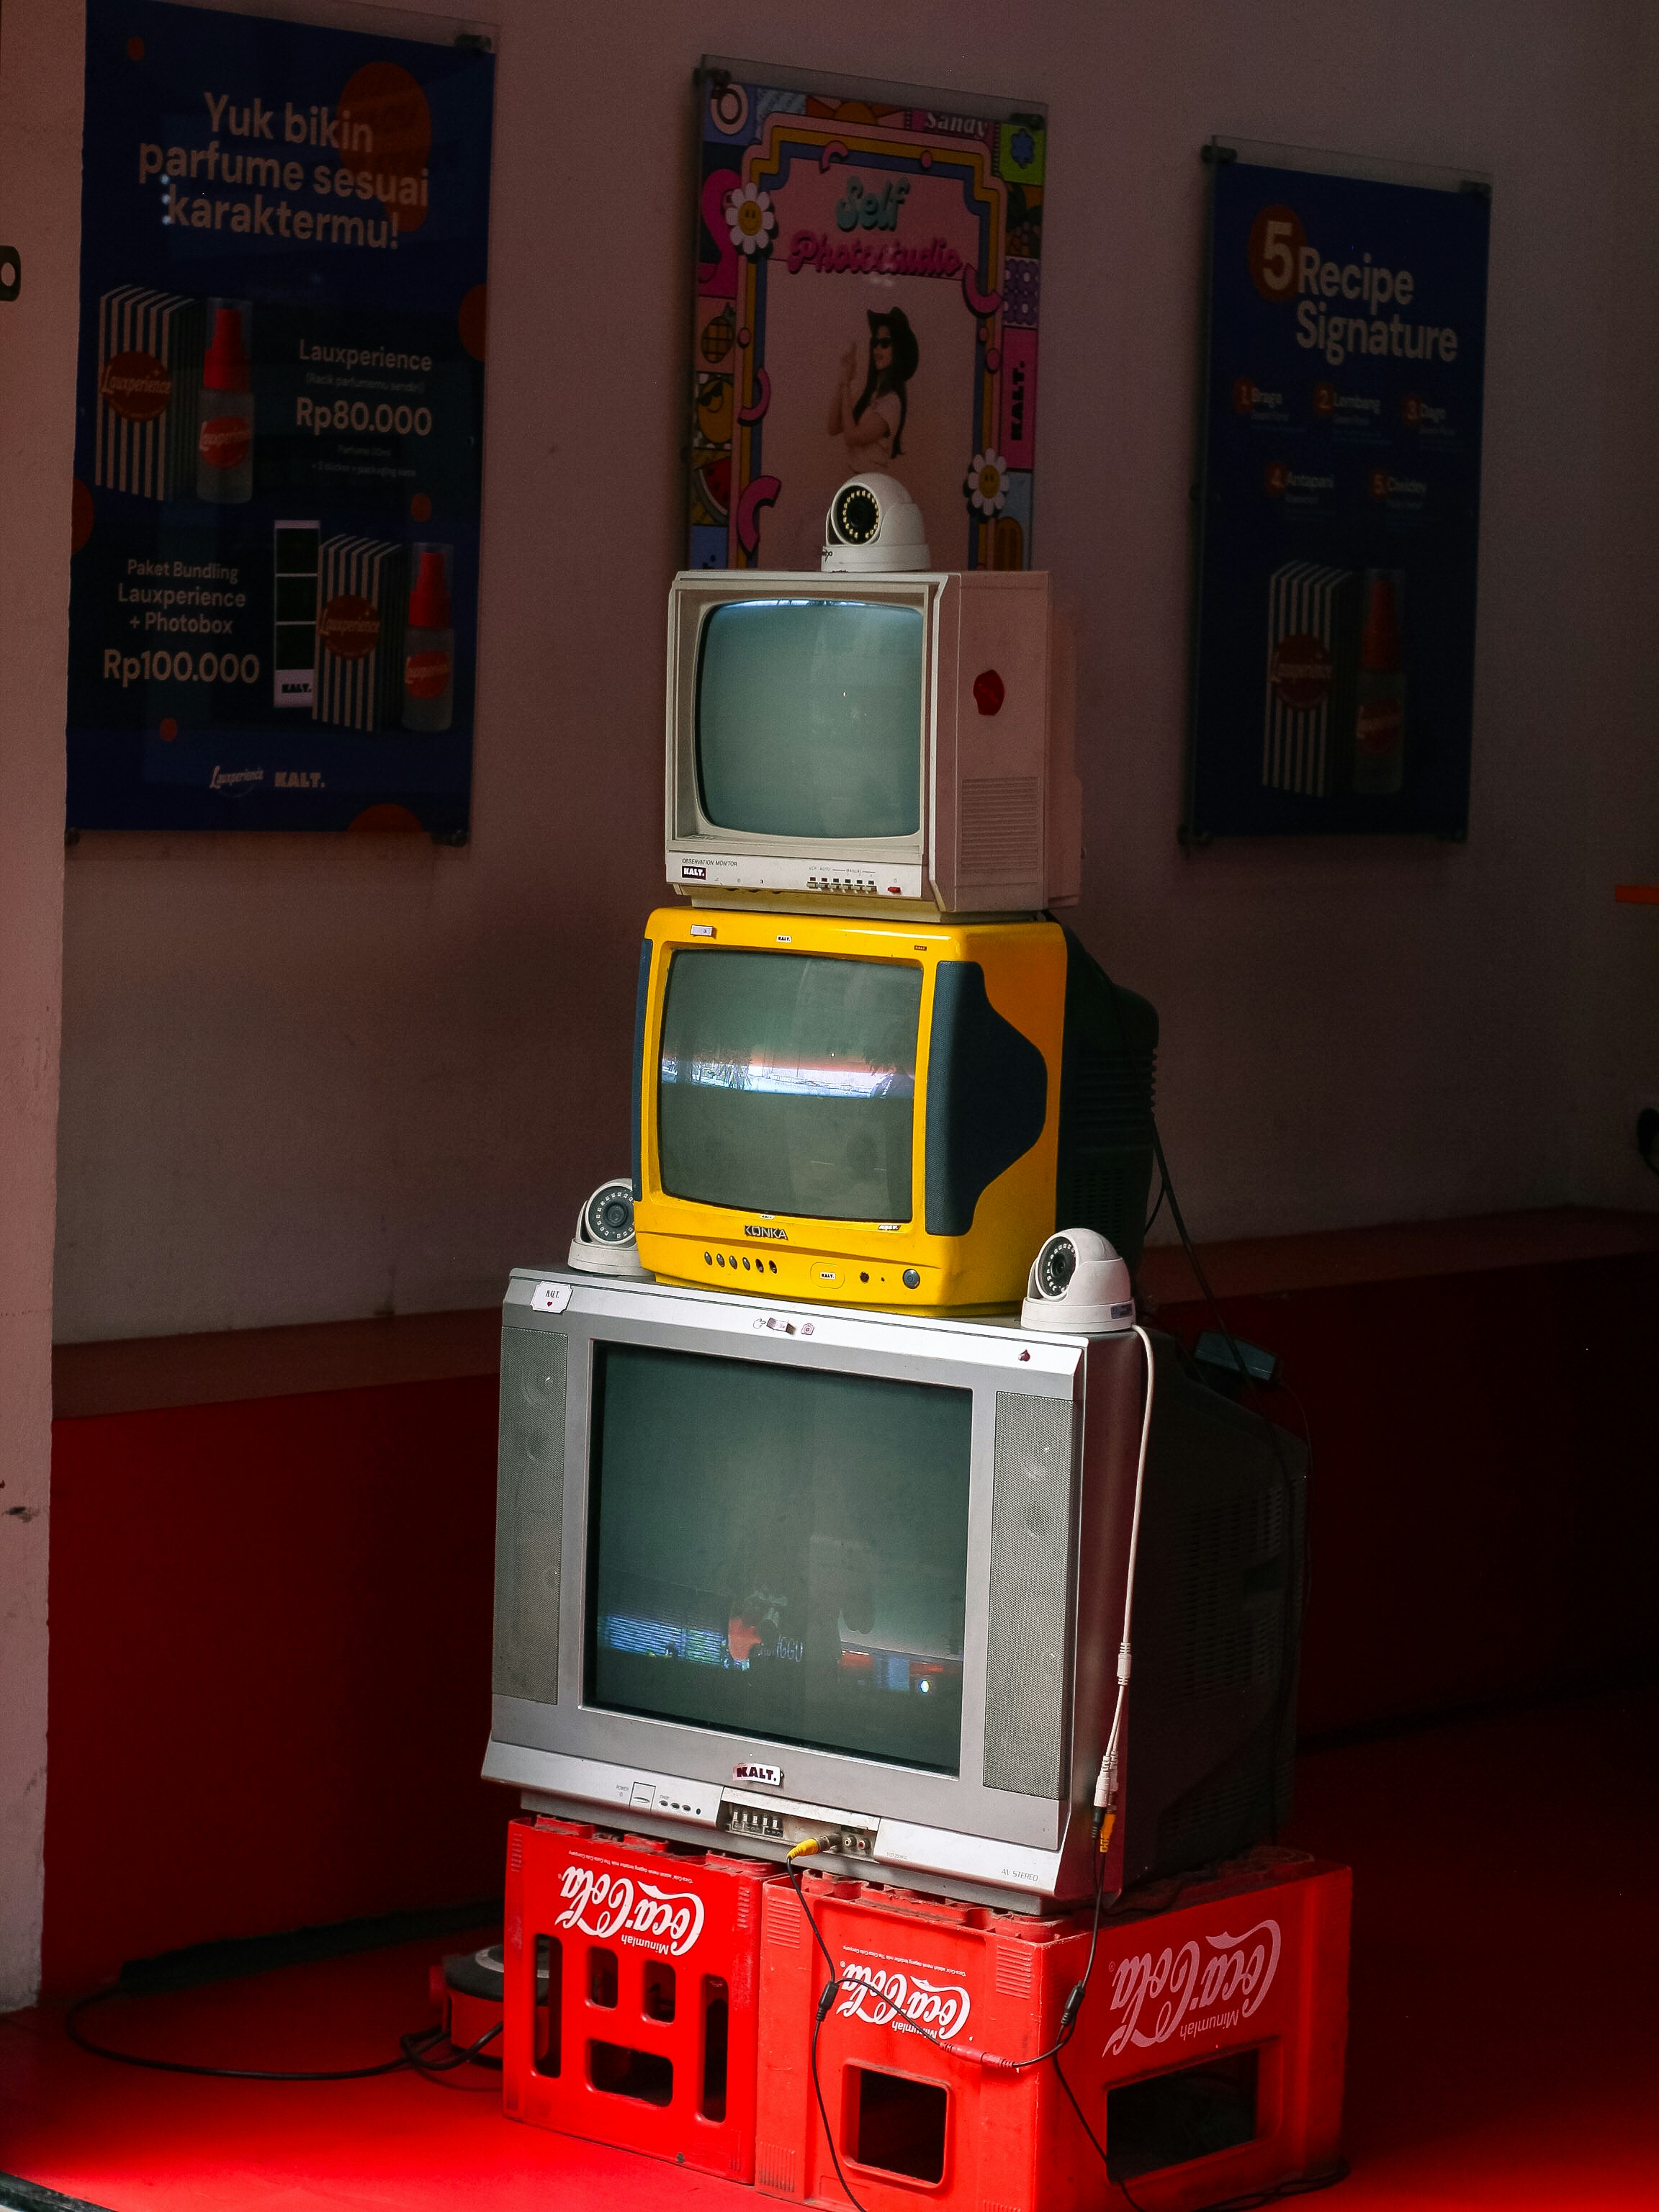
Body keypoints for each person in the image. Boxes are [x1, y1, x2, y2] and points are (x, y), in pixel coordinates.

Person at [826, 308, 920, 464]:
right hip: (856, 478)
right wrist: (843, 378)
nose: (877, 348)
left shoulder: (892, 402)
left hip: (873, 479)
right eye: (875, 342)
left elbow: (851, 437)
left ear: (898, 350)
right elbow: (833, 427)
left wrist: (846, 384)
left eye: (885, 343)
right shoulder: (869, 395)